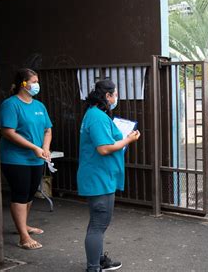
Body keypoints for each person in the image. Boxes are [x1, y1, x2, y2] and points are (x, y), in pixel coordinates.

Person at [77, 80, 141, 272]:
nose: (116, 98)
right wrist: (128, 139)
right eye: (115, 94)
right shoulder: (96, 117)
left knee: (99, 222)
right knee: (98, 223)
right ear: (108, 96)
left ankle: (98, 260)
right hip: (98, 178)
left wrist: (123, 138)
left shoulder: (97, 114)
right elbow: (104, 148)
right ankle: (93, 267)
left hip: (102, 176)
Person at [0, 68, 52, 250]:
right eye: (34, 81)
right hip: (15, 159)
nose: (37, 85)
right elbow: (7, 132)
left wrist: (44, 147)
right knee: (20, 195)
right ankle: (23, 236)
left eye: (37, 81)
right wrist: (34, 147)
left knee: (29, 194)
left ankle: (24, 225)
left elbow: (48, 129)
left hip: (36, 158)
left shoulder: (39, 106)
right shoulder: (10, 104)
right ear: (23, 83)